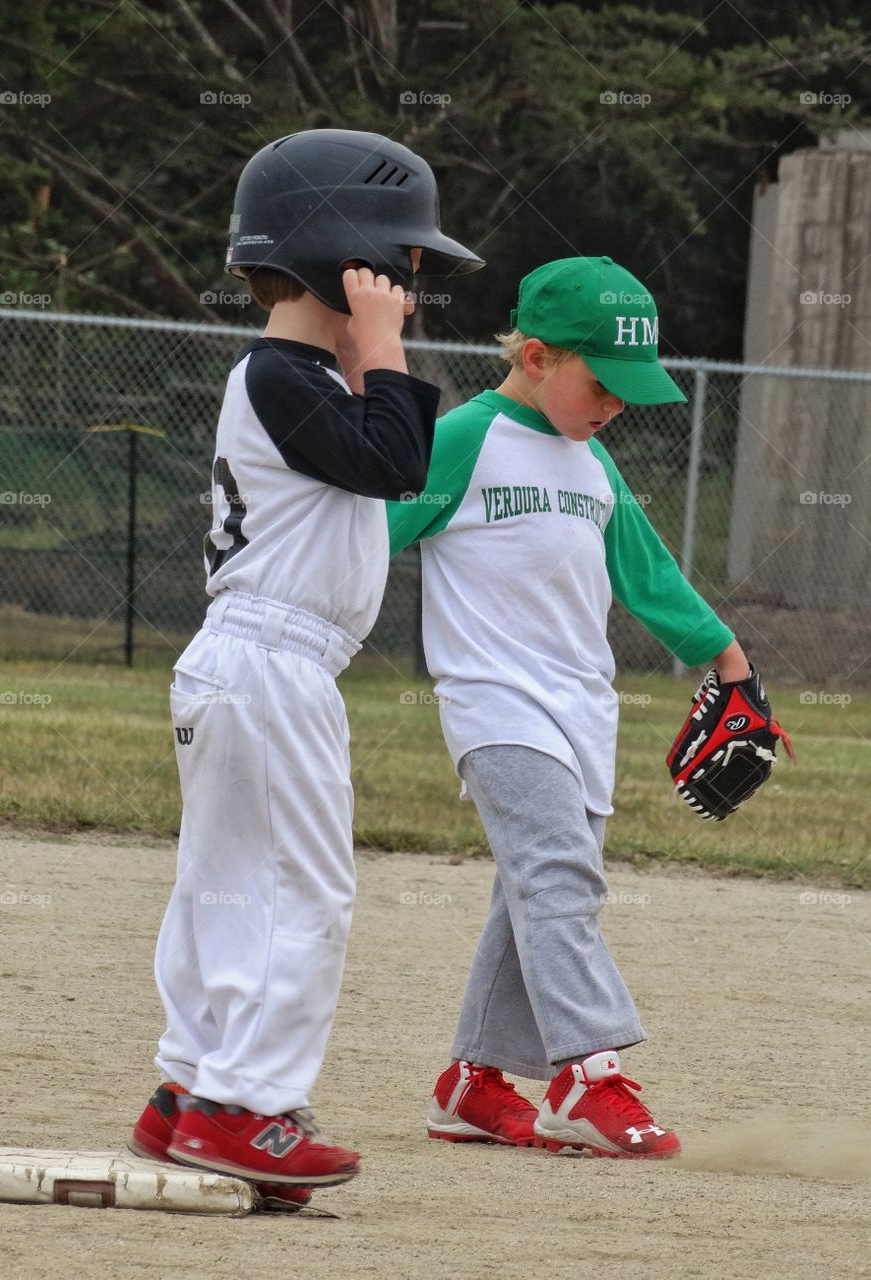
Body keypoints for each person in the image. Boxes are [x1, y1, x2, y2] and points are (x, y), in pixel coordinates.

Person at [129, 128, 483, 1205]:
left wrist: (369, 348)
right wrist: (382, 345)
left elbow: (379, 462)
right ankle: (245, 1106)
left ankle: (188, 1094)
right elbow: (393, 458)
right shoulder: (285, 373)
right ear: (342, 258)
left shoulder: (289, 376)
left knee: (226, 886)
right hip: (271, 665)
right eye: (397, 271)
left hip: (258, 664)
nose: (408, 294)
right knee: (300, 892)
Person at [388, 255, 753, 1160]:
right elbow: (364, 539)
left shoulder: (591, 464)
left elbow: (647, 573)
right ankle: (586, 1076)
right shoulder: (461, 439)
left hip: (582, 712)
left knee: (531, 897)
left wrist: (728, 662)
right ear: (539, 356)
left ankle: (471, 1082)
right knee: (557, 877)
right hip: (494, 706)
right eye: (604, 383)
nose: (615, 406)